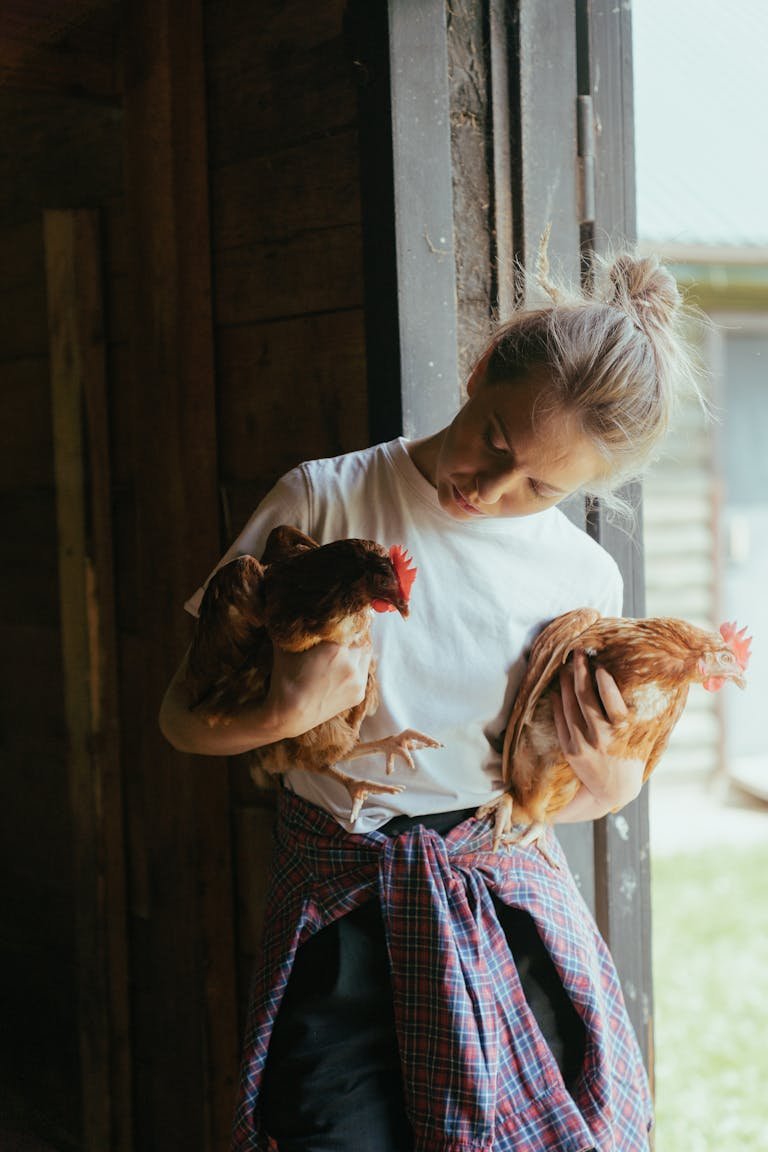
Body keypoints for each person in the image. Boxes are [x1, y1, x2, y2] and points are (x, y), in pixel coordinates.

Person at [159, 250, 700, 1152]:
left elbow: (561, 790)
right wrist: (279, 718)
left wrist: (611, 788)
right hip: (342, 918)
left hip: (506, 914)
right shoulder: (326, 498)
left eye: (540, 487)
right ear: (481, 368)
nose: (488, 490)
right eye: (495, 438)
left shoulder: (584, 576)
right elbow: (181, 719)